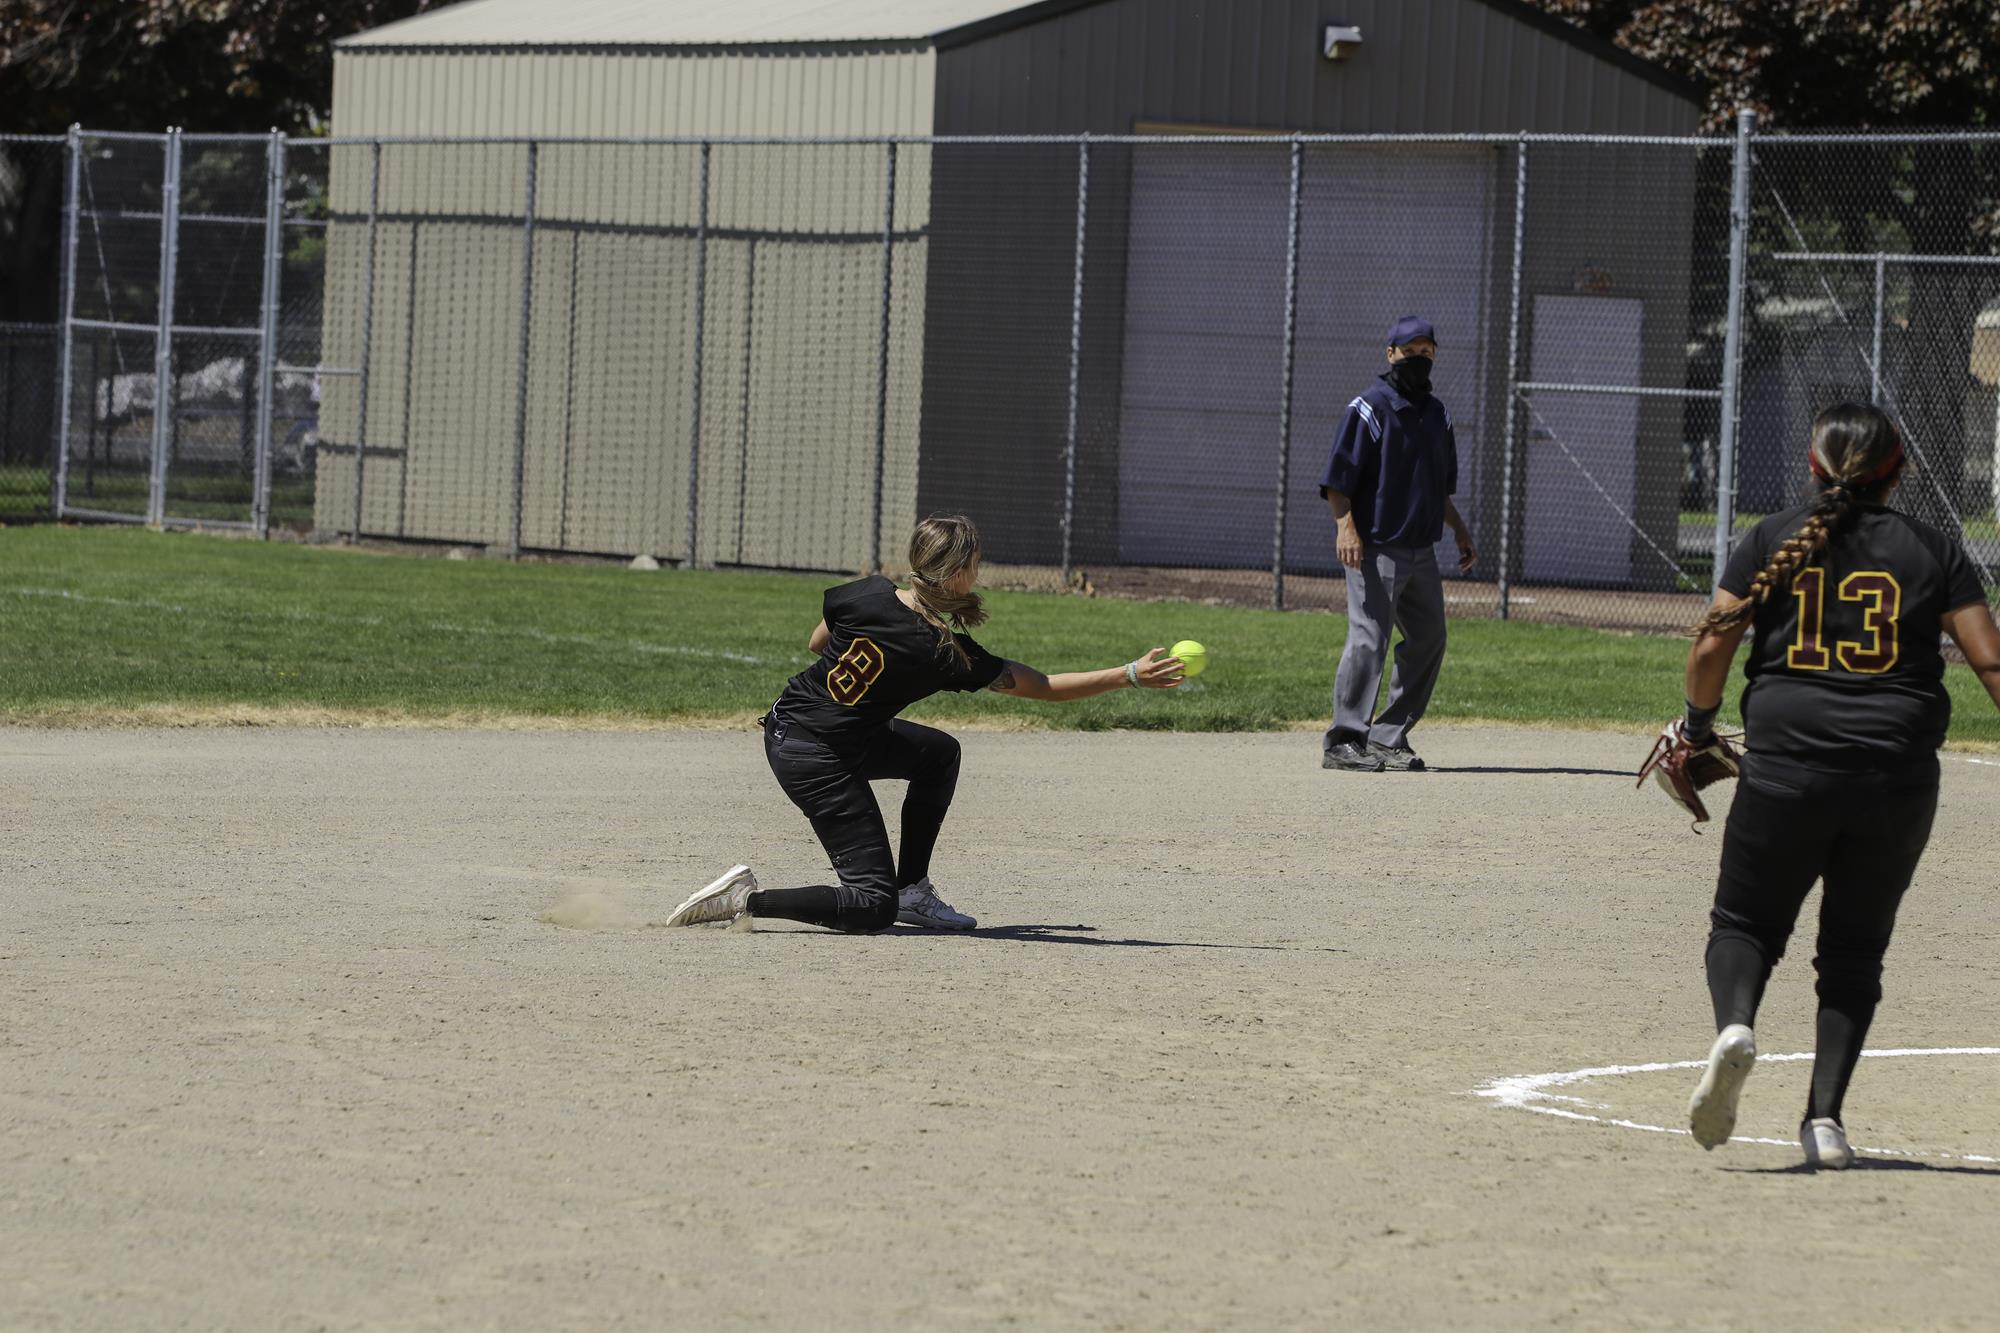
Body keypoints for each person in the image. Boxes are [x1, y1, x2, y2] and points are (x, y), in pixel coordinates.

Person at [1678, 402, 2000, 1168]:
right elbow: (1990, 663)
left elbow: (1711, 646)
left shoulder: (1772, 537)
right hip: (1895, 774)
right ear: (1900, 472)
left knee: (1746, 923)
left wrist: (1696, 727)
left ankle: (1736, 1028)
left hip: (1789, 760)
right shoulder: (1933, 548)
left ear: (1814, 467)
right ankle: (1824, 1120)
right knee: (1854, 953)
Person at [663, 514, 1186, 934]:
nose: (979, 573)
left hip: (808, 723)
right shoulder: (944, 651)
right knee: (870, 906)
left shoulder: (866, 591)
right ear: (956, 573)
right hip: (813, 753)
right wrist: (1130, 675)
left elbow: (817, 643)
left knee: (938, 754)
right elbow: (1044, 687)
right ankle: (744, 899)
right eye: (975, 564)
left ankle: (912, 888)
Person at [1320, 316, 1478, 773]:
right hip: (1375, 547)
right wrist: (1345, 528)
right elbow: (1338, 481)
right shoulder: (1368, 408)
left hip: (1420, 550)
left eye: (1426, 352)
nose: (1418, 359)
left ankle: (1388, 737)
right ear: (1390, 354)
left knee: (1429, 639)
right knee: (1369, 639)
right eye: (1410, 352)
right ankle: (1344, 739)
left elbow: (1437, 488)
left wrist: (1459, 529)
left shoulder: (1437, 413)